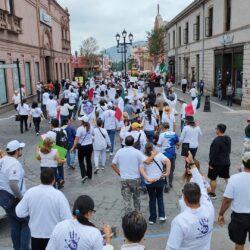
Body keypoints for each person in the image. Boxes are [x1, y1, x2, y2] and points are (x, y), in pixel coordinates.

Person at [166, 152, 214, 250]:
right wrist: (192, 163)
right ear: (200, 195)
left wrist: (191, 163)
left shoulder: (180, 221)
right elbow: (201, 183)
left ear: (185, 199)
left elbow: (171, 247)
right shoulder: (209, 209)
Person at [15, 168, 72, 250]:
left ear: (40, 178)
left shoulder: (30, 192)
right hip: (53, 235)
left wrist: (31, 212)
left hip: (35, 234)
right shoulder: (59, 196)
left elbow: (19, 212)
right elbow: (67, 218)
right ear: (53, 180)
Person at [46, 195, 112, 250]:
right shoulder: (94, 233)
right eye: (93, 211)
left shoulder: (60, 226)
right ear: (89, 213)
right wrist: (108, 236)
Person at [0, 140, 30, 250]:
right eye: (20, 149)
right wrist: (22, 199)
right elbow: (13, 183)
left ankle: (17, 248)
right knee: (27, 221)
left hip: (4, 198)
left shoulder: (3, 160)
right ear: (17, 151)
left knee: (15, 223)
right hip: (13, 198)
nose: (21, 150)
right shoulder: (15, 163)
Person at [112, 136, 152, 215]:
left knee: (126, 199)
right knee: (136, 198)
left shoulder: (120, 151)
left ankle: (128, 216)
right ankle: (137, 214)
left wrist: (119, 173)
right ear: (133, 143)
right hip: (135, 179)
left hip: (124, 179)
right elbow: (147, 161)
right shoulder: (137, 152)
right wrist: (153, 155)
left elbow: (113, 164)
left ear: (124, 142)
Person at [218, 152, 250, 250]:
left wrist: (221, 214)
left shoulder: (234, 179)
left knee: (239, 243)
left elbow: (227, 200)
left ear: (242, 162)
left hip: (239, 217)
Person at [140, 142, 171, 224]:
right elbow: (168, 161)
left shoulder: (143, 157)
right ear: (153, 148)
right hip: (159, 179)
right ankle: (162, 215)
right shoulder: (159, 155)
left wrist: (147, 179)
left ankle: (152, 218)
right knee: (160, 197)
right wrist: (167, 173)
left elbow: (141, 170)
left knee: (152, 199)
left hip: (149, 182)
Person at [208, 123, 231, 199]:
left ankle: (212, 194)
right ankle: (233, 191)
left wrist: (211, 164)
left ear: (218, 130)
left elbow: (213, 154)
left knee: (213, 178)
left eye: (216, 129)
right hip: (226, 161)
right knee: (226, 177)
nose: (215, 130)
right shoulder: (228, 138)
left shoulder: (217, 141)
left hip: (216, 163)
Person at [45, 118, 67, 188]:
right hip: (62, 151)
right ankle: (61, 182)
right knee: (60, 167)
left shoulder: (49, 133)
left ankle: (55, 182)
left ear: (51, 125)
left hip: (53, 153)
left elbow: (46, 143)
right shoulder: (63, 131)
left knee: (53, 168)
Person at [71, 116, 94, 182]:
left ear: (83, 121)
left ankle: (84, 175)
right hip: (89, 146)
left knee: (81, 161)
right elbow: (93, 134)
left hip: (82, 147)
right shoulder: (91, 127)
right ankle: (89, 175)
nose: (79, 121)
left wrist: (73, 147)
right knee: (88, 160)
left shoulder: (80, 129)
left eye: (80, 120)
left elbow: (76, 139)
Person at [157, 123, 179, 190]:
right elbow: (177, 143)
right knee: (171, 169)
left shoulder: (162, 135)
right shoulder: (174, 134)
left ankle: (166, 183)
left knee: (164, 169)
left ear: (163, 128)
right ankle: (170, 183)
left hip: (164, 154)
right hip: (172, 154)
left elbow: (158, 144)